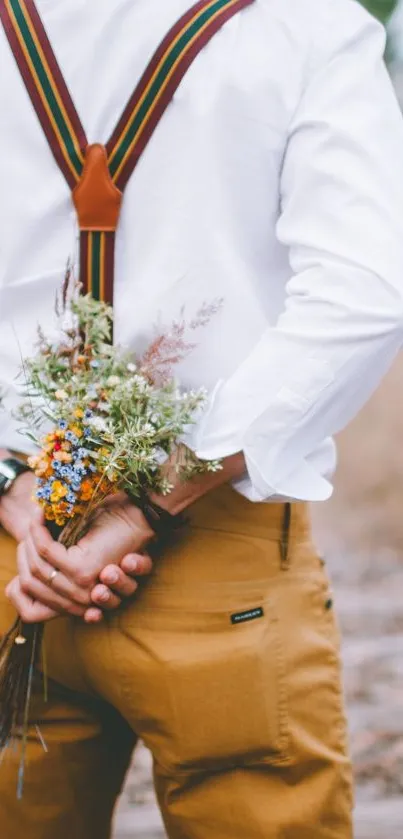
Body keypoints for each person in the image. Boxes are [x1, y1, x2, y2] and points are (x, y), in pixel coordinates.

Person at [1, 0, 403, 836]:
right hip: (218, 548)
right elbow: (363, 297)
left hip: (16, 555)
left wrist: (13, 484)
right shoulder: (309, 24)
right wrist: (149, 498)